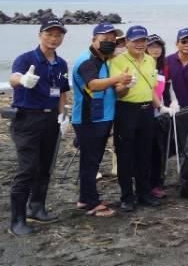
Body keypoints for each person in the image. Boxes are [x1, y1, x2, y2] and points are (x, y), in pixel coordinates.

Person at [7, 18, 71, 235]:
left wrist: (63, 115)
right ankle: (17, 220)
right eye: (49, 34)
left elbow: (62, 90)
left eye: (58, 35)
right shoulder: (25, 59)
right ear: (40, 35)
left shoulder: (61, 64)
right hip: (27, 119)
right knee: (27, 169)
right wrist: (23, 80)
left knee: (45, 167)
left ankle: (37, 207)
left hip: (50, 120)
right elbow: (13, 77)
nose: (54, 38)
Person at [72, 23, 130, 219]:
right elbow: (94, 85)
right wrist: (117, 79)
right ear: (93, 40)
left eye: (112, 41)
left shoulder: (102, 59)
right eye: (104, 40)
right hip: (89, 119)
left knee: (92, 160)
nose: (109, 43)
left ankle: (84, 197)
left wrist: (123, 83)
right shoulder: (87, 61)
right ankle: (91, 202)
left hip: (101, 117)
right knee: (90, 161)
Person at [109, 25, 166, 212]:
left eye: (143, 40)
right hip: (126, 110)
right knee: (125, 155)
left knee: (145, 153)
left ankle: (144, 192)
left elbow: (151, 87)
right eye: (136, 41)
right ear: (127, 42)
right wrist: (126, 86)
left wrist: (160, 106)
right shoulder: (117, 61)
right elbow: (117, 92)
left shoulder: (150, 60)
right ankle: (127, 196)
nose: (140, 44)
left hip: (146, 110)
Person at [146, 34, 175, 199]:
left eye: (158, 47)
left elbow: (167, 90)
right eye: (151, 47)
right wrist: (160, 106)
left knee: (159, 151)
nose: (155, 49)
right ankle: (146, 185)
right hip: (146, 112)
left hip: (160, 114)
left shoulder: (164, 66)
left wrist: (171, 104)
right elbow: (149, 90)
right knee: (145, 151)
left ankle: (157, 184)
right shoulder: (143, 64)